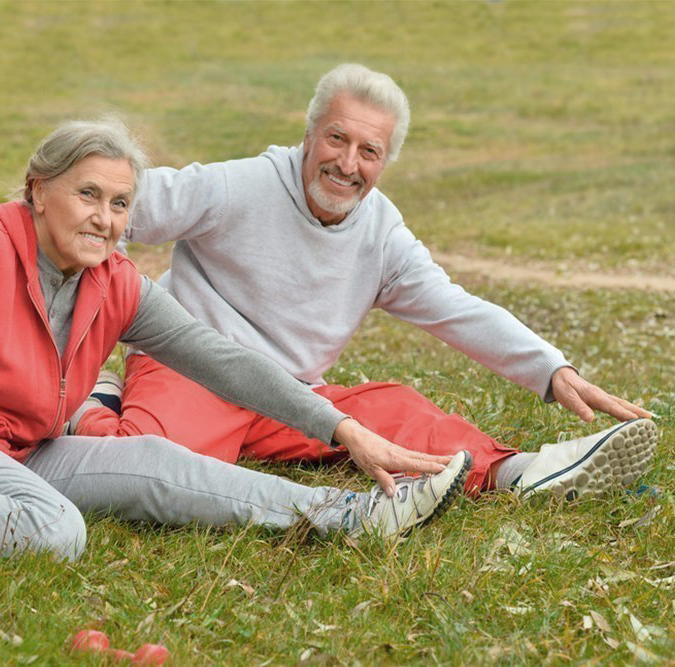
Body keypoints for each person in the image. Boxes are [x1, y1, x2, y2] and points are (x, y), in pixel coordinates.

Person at [0, 119, 472, 561]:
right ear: (37, 190)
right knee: (54, 529)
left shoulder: (115, 282)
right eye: (88, 194)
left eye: (121, 203)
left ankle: (353, 516)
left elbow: (226, 363)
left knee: (150, 458)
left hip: (17, 448)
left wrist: (343, 427)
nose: (105, 217)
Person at [72, 64, 658, 500]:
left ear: (385, 162)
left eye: (369, 151)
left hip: (293, 396)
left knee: (400, 411)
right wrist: (104, 313)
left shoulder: (382, 235)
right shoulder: (239, 185)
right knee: (142, 468)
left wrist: (551, 369)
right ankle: (93, 403)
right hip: (194, 373)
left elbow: (455, 309)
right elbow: (116, 210)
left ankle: (523, 472)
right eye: (336, 139)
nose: (348, 164)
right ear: (309, 135)